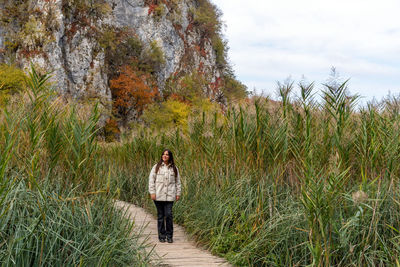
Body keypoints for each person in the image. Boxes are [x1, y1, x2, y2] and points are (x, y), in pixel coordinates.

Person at [148, 149, 181, 243]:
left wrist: (178, 193)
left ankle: (169, 236)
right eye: (163, 154)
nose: (165, 156)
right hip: (158, 195)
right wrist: (152, 192)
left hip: (170, 196)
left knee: (169, 215)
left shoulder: (174, 168)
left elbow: (177, 182)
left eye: (167, 154)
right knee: (161, 216)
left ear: (170, 156)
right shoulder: (156, 167)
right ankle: (162, 236)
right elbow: (151, 180)